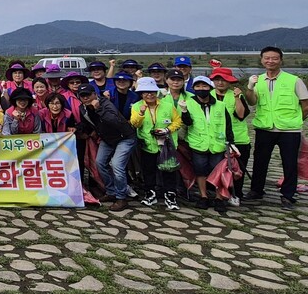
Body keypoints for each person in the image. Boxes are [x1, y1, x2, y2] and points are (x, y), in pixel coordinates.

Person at [244, 46, 308, 210]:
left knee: (289, 163)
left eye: (274, 58)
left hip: (289, 130)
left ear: (280, 60)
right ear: (261, 60)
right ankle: (256, 190)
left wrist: (295, 121)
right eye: (267, 58)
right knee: (260, 161)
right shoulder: (258, 81)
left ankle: (288, 195)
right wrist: (250, 87)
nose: (270, 61)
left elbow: (305, 105)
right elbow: (251, 101)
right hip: (265, 128)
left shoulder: (293, 80)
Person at [78, 84, 137, 211]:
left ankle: (121, 198)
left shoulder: (105, 104)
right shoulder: (82, 108)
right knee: (99, 163)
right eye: (82, 96)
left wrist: (98, 109)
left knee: (117, 165)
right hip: (108, 139)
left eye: (88, 95)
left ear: (95, 94)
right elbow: (86, 124)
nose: (86, 98)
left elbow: (115, 121)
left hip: (125, 137)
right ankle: (111, 192)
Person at [180, 75, 236, 212]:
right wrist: (184, 111)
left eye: (204, 86)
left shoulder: (220, 105)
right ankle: (203, 196)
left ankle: (218, 197)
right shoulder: (188, 103)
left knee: (218, 172)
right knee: (200, 171)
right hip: (198, 144)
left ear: (210, 88)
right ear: (193, 89)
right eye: (198, 87)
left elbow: (227, 125)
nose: (201, 89)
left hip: (217, 144)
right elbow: (187, 123)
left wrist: (231, 142)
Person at [129, 77, 182, 210]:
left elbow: (177, 122)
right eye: (146, 92)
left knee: (169, 171)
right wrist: (141, 113)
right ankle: (150, 194)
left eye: (152, 91)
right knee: (148, 171)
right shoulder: (136, 106)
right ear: (141, 94)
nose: (149, 94)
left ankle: (170, 197)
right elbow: (134, 124)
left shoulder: (168, 106)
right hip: (148, 145)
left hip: (166, 145)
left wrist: (167, 129)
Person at [210, 67, 251, 205]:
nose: (220, 83)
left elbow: (241, 115)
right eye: (217, 79)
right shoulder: (207, 95)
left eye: (224, 80)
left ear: (229, 81)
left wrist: (237, 98)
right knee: (218, 169)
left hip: (238, 138)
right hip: (215, 139)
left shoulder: (236, 94)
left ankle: (237, 193)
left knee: (237, 169)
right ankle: (219, 194)